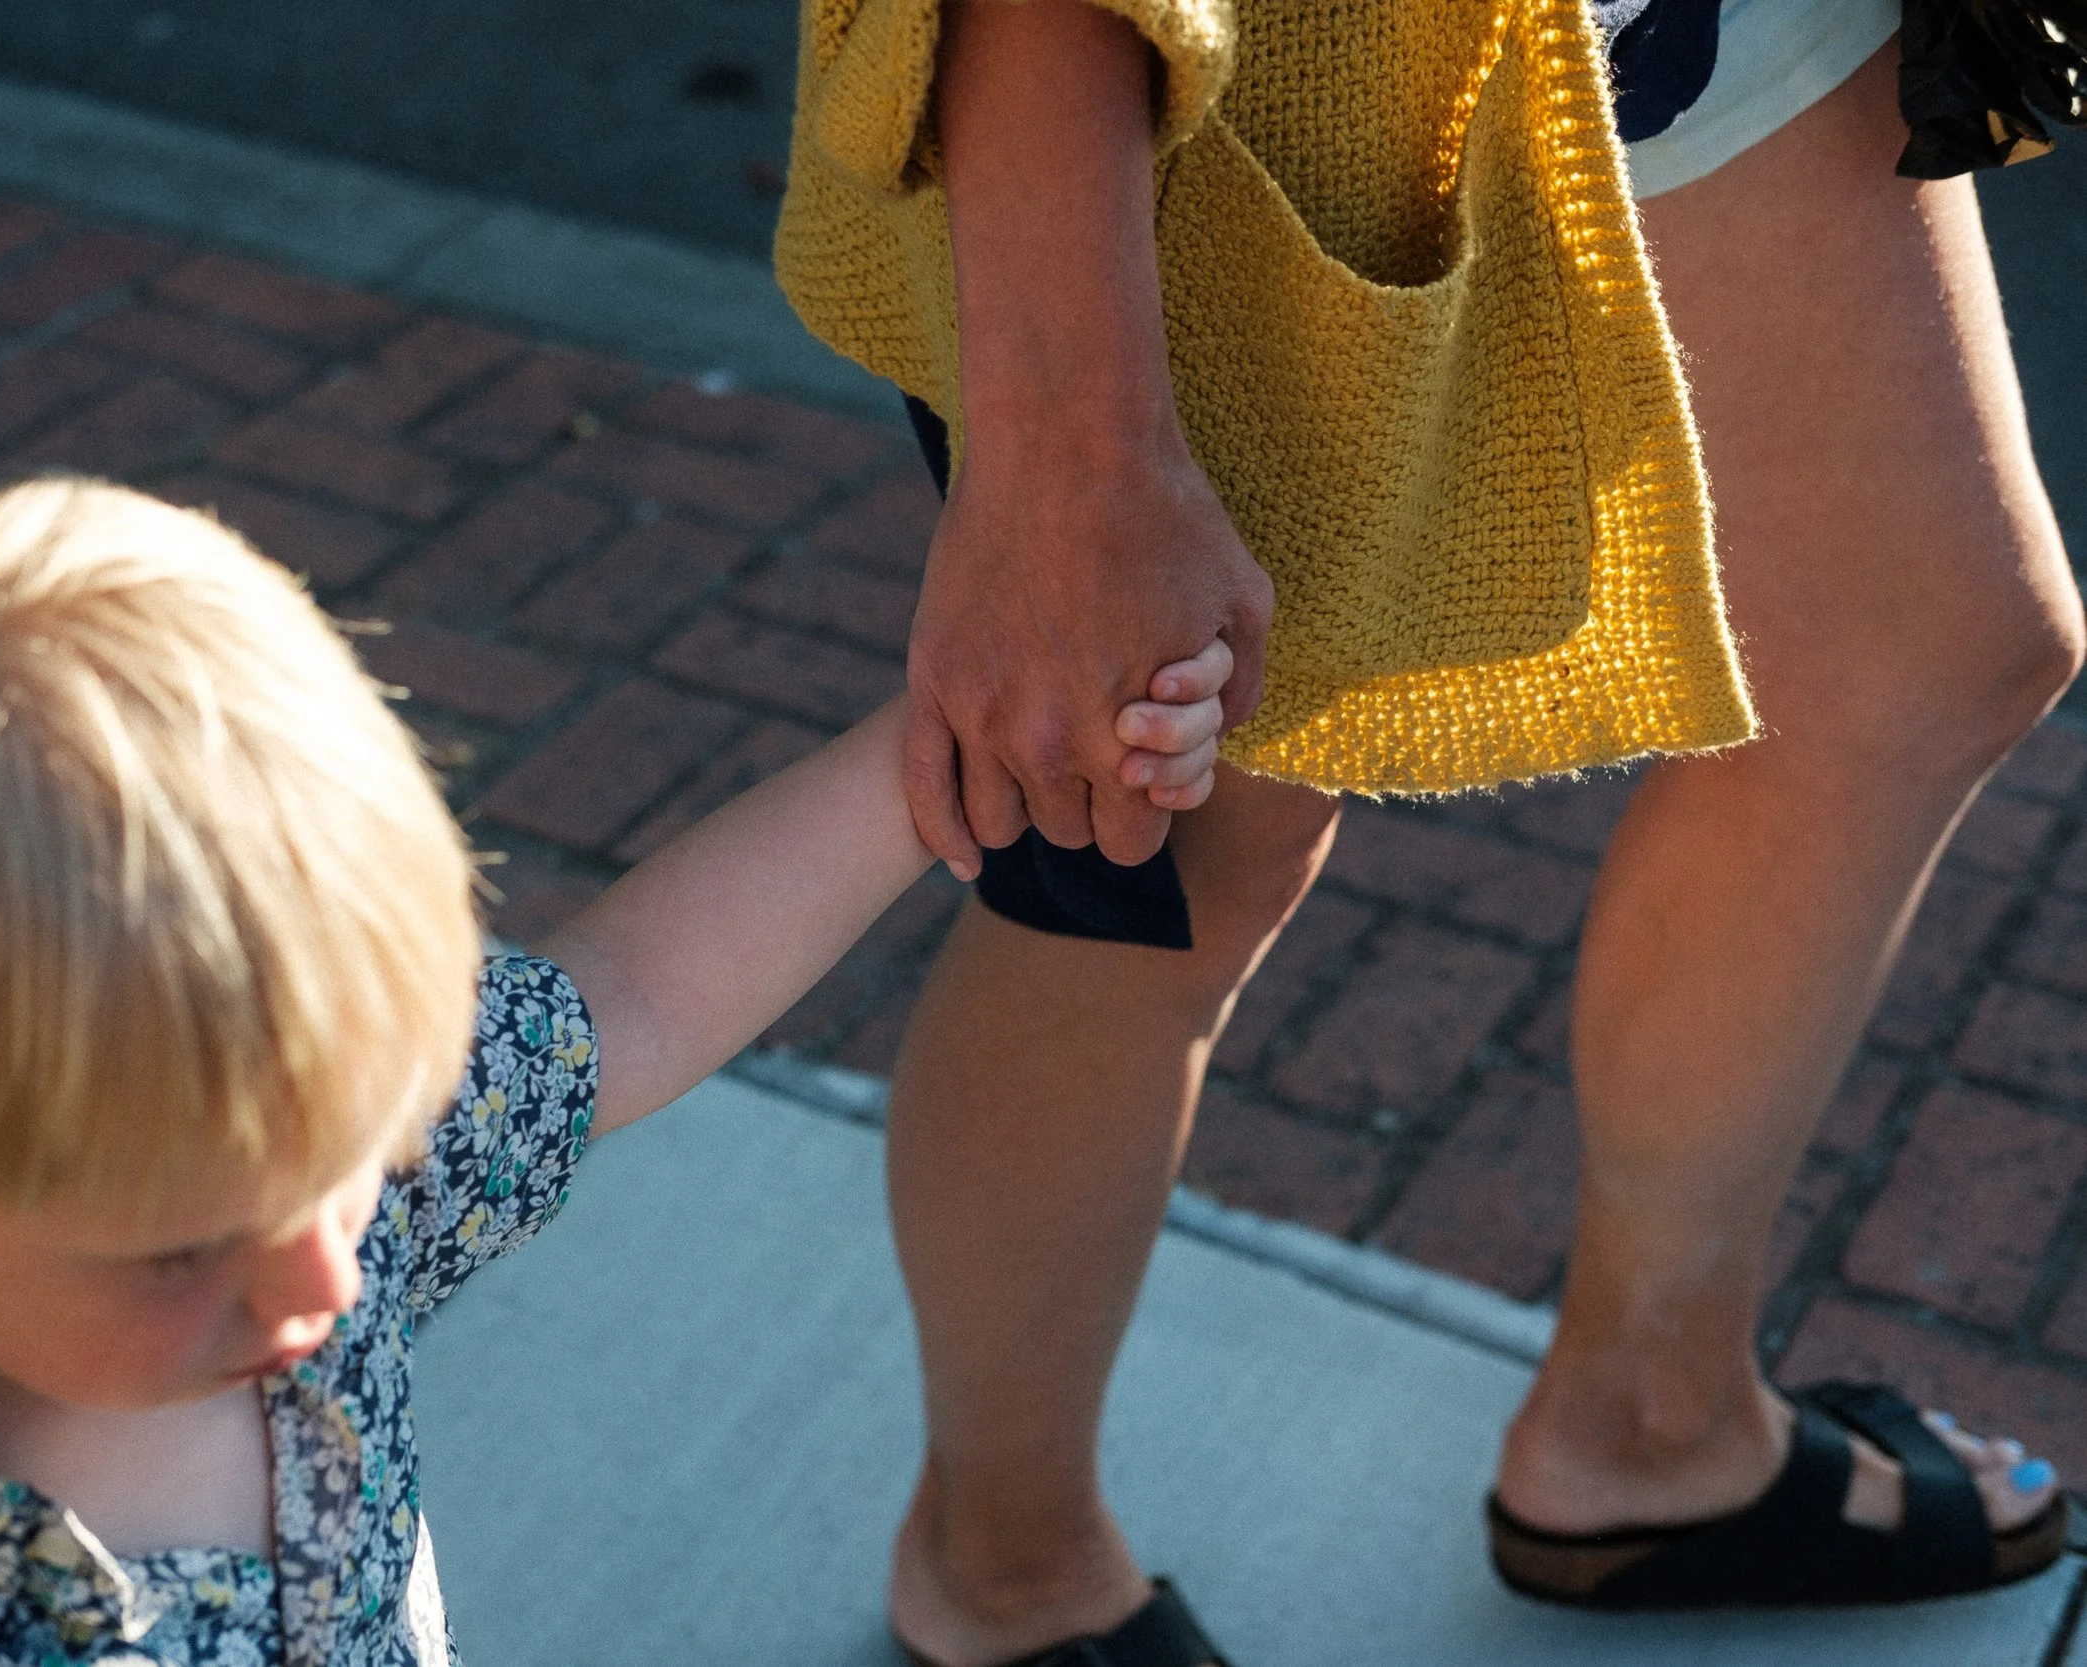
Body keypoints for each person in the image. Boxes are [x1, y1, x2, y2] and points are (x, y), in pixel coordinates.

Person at [776, 0, 2086, 1660]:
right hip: (1268, 66)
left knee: (1923, 650)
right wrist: (1070, 453)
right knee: (1154, 844)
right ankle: (1005, 1565)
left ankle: (1648, 1422)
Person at [0, 476, 1229, 1663]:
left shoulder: (248, 1168)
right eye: (181, 1249)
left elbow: (633, 999)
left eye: (359, 1151)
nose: (324, 1280)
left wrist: (954, 736)